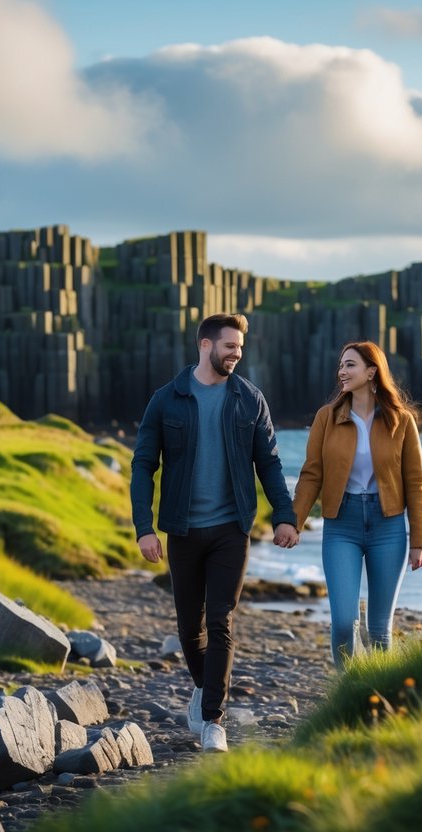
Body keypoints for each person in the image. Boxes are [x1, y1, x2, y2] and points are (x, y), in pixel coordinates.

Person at [130, 312, 300, 753]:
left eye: (241, 347)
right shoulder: (167, 400)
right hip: (183, 531)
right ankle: (205, 688)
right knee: (190, 629)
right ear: (205, 345)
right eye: (230, 346)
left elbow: (270, 463)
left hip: (232, 528)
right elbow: (143, 465)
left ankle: (212, 721)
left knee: (221, 621)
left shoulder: (250, 399)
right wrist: (144, 528)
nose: (237, 354)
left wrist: (285, 515)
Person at [292, 341, 422, 669]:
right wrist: (292, 521)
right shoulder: (327, 418)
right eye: (341, 365)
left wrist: (420, 541)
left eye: (350, 365)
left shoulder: (401, 420)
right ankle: (347, 689)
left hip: (389, 526)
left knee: (379, 629)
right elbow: (312, 474)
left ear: (372, 372)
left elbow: (415, 483)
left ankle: (377, 702)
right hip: (342, 525)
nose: (342, 371)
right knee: (343, 622)